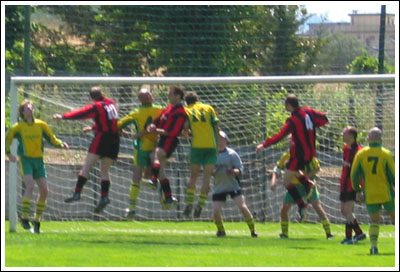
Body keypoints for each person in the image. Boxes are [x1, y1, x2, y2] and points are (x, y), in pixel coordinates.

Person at [256, 94, 328, 221]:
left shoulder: (293, 120)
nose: (285, 108)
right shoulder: (309, 112)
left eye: (285, 105)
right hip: (311, 153)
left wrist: (264, 144)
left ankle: (305, 195)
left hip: (298, 154)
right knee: (291, 175)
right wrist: (310, 128)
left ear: (289, 105)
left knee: (286, 181)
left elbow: (280, 135)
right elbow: (324, 119)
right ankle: (306, 190)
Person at [6, 99, 69, 233]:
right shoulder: (18, 127)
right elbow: (7, 139)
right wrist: (8, 154)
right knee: (30, 186)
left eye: (31, 107)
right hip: (26, 159)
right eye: (27, 108)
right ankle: (24, 218)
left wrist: (60, 144)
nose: (30, 109)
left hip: (39, 160)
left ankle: (37, 220)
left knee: (45, 191)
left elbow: (51, 138)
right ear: (22, 112)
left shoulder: (41, 125)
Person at [53, 86, 119, 214]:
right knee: (104, 170)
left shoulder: (96, 106)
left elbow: (81, 113)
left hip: (102, 138)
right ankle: (105, 197)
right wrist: (93, 127)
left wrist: (63, 116)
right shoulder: (111, 103)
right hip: (115, 140)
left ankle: (77, 193)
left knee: (87, 166)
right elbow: (110, 120)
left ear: (92, 97)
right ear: (102, 93)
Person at [270, 137, 333, 239]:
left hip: (307, 186)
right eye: (289, 142)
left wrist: (306, 178)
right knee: (284, 209)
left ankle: (329, 233)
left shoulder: (306, 156)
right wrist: (273, 181)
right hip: (293, 187)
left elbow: (317, 168)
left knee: (317, 207)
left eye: (293, 142)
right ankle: (284, 233)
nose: (290, 144)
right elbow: (277, 169)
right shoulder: (286, 157)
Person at [117, 87, 163, 219]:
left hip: (141, 147)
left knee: (137, 177)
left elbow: (118, 126)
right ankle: (166, 195)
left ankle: (131, 208)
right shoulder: (160, 109)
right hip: (156, 146)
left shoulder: (135, 113)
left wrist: (126, 133)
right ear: (150, 97)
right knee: (157, 172)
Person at [351, 127, 395, 255]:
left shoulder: (361, 154)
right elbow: (393, 173)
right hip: (386, 192)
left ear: (369, 138)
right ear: (380, 138)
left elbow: (354, 174)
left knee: (375, 221)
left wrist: (357, 190)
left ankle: (374, 247)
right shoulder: (386, 154)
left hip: (370, 193)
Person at [145, 86, 187, 209]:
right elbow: (158, 120)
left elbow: (173, 132)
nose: (168, 96)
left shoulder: (180, 112)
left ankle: (153, 180)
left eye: (171, 94)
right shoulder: (169, 108)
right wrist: (152, 125)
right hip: (162, 139)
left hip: (170, 140)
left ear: (178, 96)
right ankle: (168, 197)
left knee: (155, 155)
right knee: (160, 170)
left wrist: (155, 130)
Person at [212, 131, 257, 238]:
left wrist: (233, 171)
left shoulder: (232, 154)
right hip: (219, 187)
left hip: (233, 186)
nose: (220, 141)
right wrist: (213, 171)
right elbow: (208, 170)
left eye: (222, 138)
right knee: (215, 212)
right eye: (218, 138)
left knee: (242, 207)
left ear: (226, 140)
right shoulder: (212, 154)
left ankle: (253, 230)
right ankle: (221, 231)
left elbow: (240, 169)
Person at [182, 92, 219, 218]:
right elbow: (216, 127)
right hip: (211, 146)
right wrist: (218, 144)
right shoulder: (209, 108)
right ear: (197, 100)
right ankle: (200, 205)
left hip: (197, 146)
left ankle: (189, 203)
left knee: (193, 177)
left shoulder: (186, 110)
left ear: (186, 101)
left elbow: (186, 126)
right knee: (207, 178)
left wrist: (186, 132)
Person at [339, 126, 366, 245]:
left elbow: (361, 172)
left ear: (351, 136)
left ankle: (349, 238)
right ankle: (359, 233)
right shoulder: (345, 149)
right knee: (344, 211)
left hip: (353, 185)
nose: (342, 136)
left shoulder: (359, 151)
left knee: (347, 210)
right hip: (344, 185)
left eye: (344, 134)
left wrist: (360, 188)